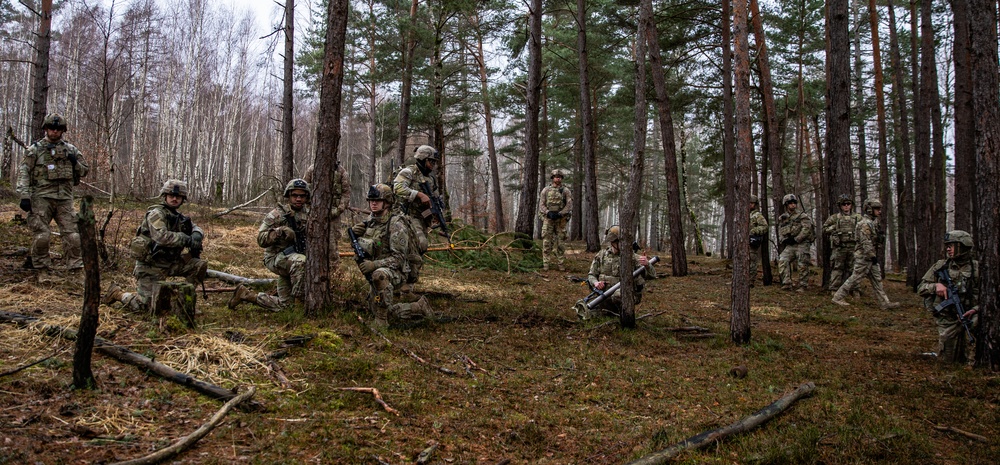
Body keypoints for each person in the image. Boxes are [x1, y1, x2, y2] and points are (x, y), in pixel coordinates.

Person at [102, 180, 207, 312]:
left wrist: (197, 234)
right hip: (151, 266)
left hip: (170, 263)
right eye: (171, 196)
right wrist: (187, 239)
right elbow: (161, 237)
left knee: (198, 265)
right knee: (146, 307)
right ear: (165, 196)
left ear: (182, 199)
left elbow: (195, 227)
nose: (174, 199)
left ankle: (184, 302)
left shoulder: (179, 217)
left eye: (178, 197)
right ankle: (117, 293)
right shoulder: (156, 213)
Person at [16, 113, 89, 277]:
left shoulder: (71, 150)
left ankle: (75, 270)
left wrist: (73, 161)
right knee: (42, 235)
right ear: (46, 129)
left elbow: (84, 170)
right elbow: (24, 172)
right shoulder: (34, 150)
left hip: (64, 198)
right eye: (51, 128)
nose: (54, 131)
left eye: (58, 129)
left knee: (73, 235)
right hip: (41, 198)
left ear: (63, 130)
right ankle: (42, 269)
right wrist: (24, 195)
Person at [350, 184, 432, 327]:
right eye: (371, 200)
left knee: (379, 276)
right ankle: (418, 307)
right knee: (381, 309)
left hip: (397, 272)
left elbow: (399, 259)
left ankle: (381, 322)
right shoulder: (371, 221)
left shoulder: (396, 224)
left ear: (387, 203)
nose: (373, 203)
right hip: (380, 270)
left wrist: (374, 265)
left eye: (378, 200)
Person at [229, 178, 311, 311]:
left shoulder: (310, 215)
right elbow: (261, 239)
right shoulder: (277, 215)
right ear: (289, 196)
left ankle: (247, 295)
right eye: (295, 195)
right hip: (277, 258)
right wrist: (279, 232)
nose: (298, 199)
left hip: (294, 263)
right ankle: (300, 304)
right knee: (302, 262)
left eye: (302, 196)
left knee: (285, 306)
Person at [917, 230, 980, 364]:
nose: (948, 249)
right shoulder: (941, 266)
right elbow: (921, 288)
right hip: (947, 319)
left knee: (972, 353)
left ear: (962, 246)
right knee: (947, 361)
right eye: (947, 246)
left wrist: (975, 309)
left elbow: (988, 298)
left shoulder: (977, 269)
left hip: (970, 316)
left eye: (952, 246)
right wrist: (936, 287)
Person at [831, 199, 899, 309]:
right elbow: (865, 242)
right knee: (855, 278)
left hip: (870, 257)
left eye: (879, 209)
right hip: (864, 257)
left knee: (877, 279)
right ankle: (838, 297)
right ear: (869, 210)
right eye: (877, 209)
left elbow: (873, 241)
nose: (879, 211)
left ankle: (884, 302)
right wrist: (871, 255)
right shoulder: (864, 223)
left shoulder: (873, 223)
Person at [577, 225, 655, 320]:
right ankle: (609, 312)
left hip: (624, 296)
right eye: (619, 242)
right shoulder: (601, 255)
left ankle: (624, 315)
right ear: (612, 242)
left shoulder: (633, 257)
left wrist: (647, 265)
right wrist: (596, 283)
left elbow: (651, 276)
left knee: (618, 295)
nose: (622, 244)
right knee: (584, 311)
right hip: (604, 295)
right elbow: (591, 275)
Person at [392, 145, 441, 277]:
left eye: (434, 162)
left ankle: (408, 280)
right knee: (417, 244)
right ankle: (400, 279)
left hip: (421, 217)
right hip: (404, 215)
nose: (433, 165)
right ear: (423, 159)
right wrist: (419, 194)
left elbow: (433, 199)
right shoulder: (408, 172)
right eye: (431, 161)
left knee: (420, 247)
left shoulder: (430, 179)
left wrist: (433, 215)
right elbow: (397, 188)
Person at [302, 161, 351, 250]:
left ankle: (333, 264)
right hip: (314, 215)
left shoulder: (342, 172)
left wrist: (338, 210)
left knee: (331, 246)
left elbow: (346, 194)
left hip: (333, 216)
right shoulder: (312, 169)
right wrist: (310, 209)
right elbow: (304, 190)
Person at [823, 194, 862, 293]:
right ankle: (834, 289)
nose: (846, 206)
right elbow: (824, 229)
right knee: (837, 268)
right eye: (843, 204)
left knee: (854, 269)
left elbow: (866, 229)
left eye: (848, 204)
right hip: (839, 248)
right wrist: (834, 228)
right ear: (840, 206)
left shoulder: (858, 218)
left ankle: (855, 290)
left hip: (854, 248)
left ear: (851, 205)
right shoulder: (835, 218)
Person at [777, 193, 815, 291]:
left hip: (802, 243)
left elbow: (806, 229)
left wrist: (796, 239)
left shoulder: (802, 216)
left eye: (794, 202)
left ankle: (803, 285)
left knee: (802, 263)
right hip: (791, 245)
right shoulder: (783, 218)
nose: (793, 204)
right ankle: (786, 283)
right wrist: (783, 240)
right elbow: (780, 231)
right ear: (786, 204)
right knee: (782, 260)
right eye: (790, 203)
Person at [538, 169, 572, 271]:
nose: (558, 178)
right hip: (548, 219)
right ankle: (546, 264)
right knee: (547, 242)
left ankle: (561, 264)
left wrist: (560, 213)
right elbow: (541, 205)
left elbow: (569, 205)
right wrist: (548, 212)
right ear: (552, 178)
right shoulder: (546, 190)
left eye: (559, 177)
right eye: (556, 176)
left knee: (560, 242)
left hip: (560, 220)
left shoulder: (566, 191)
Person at [748, 195, 769, 286]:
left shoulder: (757, 215)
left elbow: (765, 227)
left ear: (755, 204)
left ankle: (751, 280)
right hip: (743, 242)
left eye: (752, 203)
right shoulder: (744, 214)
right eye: (749, 203)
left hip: (752, 241)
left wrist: (754, 231)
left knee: (752, 260)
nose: (750, 205)